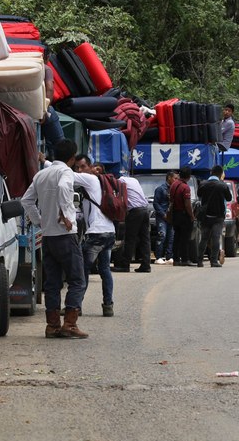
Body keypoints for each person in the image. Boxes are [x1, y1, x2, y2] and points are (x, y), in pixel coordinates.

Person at [20, 139, 88, 339]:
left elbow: (26, 200)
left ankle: (52, 326)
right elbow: (64, 187)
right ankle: (70, 324)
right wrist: (66, 213)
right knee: (77, 280)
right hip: (66, 235)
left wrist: (39, 220)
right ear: (72, 158)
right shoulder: (65, 172)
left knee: (52, 282)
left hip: (48, 236)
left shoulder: (41, 174)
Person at [73, 155, 117, 316]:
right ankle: (108, 306)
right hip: (109, 232)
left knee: (82, 270)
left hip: (97, 234)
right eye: (77, 167)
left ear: (91, 168)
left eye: (82, 166)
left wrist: (45, 162)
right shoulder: (95, 186)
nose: (79, 170)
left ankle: (75, 307)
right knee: (105, 269)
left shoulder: (90, 180)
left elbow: (67, 174)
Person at [113, 171, 152, 274]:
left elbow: (121, 197)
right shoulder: (134, 180)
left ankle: (125, 265)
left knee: (130, 238)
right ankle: (146, 265)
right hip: (144, 209)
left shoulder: (120, 181)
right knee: (145, 239)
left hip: (135, 211)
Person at [195, 165, 232, 267]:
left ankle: (199, 261)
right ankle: (214, 261)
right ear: (220, 174)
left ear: (211, 173)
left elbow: (199, 194)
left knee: (204, 238)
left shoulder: (203, 184)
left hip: (205, 216)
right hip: (218, 217)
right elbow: (229, 198)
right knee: (216, 238)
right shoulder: (223, 186)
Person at [170, 166, 196, 267]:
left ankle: (176, 259)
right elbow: (187, 204)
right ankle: (185, 259)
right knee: (185, 238)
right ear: (189, 177)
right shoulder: (185, 187)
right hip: (183, 215)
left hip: (175, 214)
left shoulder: (173, 185)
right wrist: (192, 216)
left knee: (176, 237)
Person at [153, 172, 175, 264]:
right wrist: (163, 214)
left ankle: (169, 256)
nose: (176, 180)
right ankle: (158, 256)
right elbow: (156, 203)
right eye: (175, 178)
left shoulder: (174, 189)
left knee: (171, 236)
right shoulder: (160, 189)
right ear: (169, 178)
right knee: (162, 235)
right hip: (162, 217)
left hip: (171, 216)